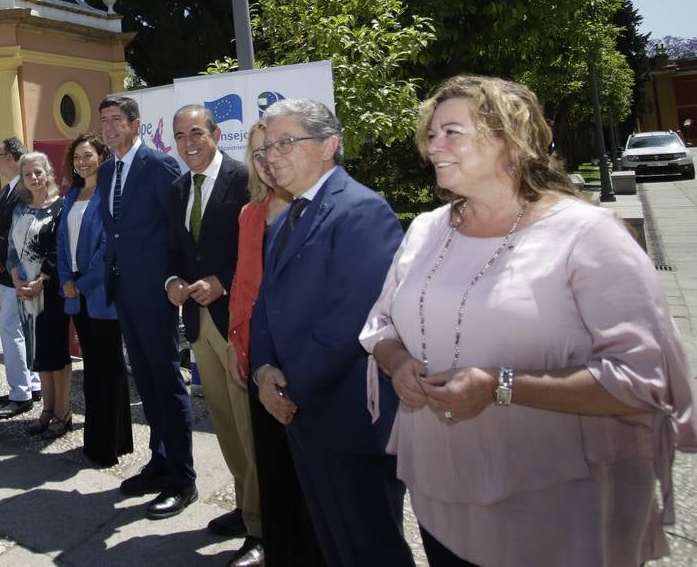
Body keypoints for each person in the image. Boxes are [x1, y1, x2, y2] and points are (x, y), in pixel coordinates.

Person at [361, 75, 697, 566]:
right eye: (431, 135)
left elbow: (642, 377)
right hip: (442, 495)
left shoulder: (587, 235)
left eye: (452, 132)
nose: (434, 146)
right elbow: (382, 324)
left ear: (509, 139)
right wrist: (398, 362)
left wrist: (499, 386)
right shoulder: (426, 229)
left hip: (555, 505)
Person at [249, 99, 413, 567]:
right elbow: (267, 303)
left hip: (347, 418)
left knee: (369, 547)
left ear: (329, 146)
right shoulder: (291, 215)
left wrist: (289, 387)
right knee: (331, 543)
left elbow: (351, 321)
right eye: (268, 147)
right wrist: (263, 370)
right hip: (301, 413)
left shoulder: (362, 211)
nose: (272, 156)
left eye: (286, 142)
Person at [164, 105, 262, 562]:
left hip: (238, 322)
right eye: (181, 135)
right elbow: (175, 253)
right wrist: (173, 283)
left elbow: (261, 247)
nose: (189, 143)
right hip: (199, 325)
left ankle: (263, 530)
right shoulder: (179, 187)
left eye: (197, 133)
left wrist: (223, 279)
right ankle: (246, 507)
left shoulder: (246, 180)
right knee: (223, 422)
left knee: (250, 423)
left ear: (217, 134)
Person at [97, 95, 195, 520]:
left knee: (167, 380)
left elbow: (178, 230)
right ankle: (159, 460)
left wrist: (174, 279)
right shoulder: (105, 172)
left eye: (116, 119)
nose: (109, 127)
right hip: (124, 292)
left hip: (156, 292)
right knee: (147, 382)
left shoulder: (159, 165)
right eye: (104, 121)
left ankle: (183, 477)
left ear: (136, 125)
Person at [229, 123, 323, 567]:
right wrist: (236, 342)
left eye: (273, 150)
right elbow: (244, 283)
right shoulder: (250, 214)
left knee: (312, 468)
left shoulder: (316, 211)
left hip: (304, 355)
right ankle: (271, 544)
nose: (266, 160)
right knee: (270, 460)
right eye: (257, 153)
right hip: (256, 351)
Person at [56, 132, 133, 466]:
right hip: (76, 294)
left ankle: (112, 444)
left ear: (102, 158)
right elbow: (61, 243)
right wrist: (65, 280)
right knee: (92, 368)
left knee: (110, 368)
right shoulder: (71, 194)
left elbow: (110, 248)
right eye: (76, 157)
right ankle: (97, 440)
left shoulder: (110, 195)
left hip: (101, 293)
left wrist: (82, 282)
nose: (81, 162)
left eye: (88, 156)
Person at [7, 151, 69, 436]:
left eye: (38, 172)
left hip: (50, 292)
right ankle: (46, 409)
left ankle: (63, 411)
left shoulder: (60, 207)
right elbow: (11, 247)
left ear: (48, 174)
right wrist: (15, 277)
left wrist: (40, 281)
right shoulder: (19, 208)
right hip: (24, 293)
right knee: (38, 353)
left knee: (56, 352)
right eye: (27, 174)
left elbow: (61, 249)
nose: (33, 178)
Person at [0, 136, 40, 419]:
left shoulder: (22, 189)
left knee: (12, 331)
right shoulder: (11, 187)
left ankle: (21, 394)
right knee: (23, 330)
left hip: (15, 273)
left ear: (10, 158)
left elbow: (16, 233)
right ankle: (32, 383)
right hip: (10, 272)